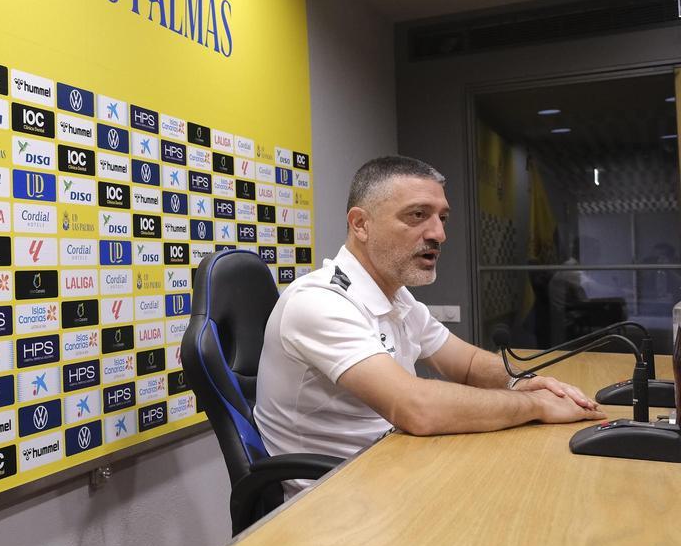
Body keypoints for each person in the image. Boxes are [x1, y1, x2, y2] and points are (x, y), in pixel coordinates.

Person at [254, 156, 604, 494]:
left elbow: (466, 364)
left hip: (395, 468)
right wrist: (537, 406)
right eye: (418, 215)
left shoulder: (397, 296)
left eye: (442, 218)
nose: (438, 234)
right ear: (360, 224)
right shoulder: (319, 301)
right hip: (333, 499)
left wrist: (526, 382)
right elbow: (416, 407)